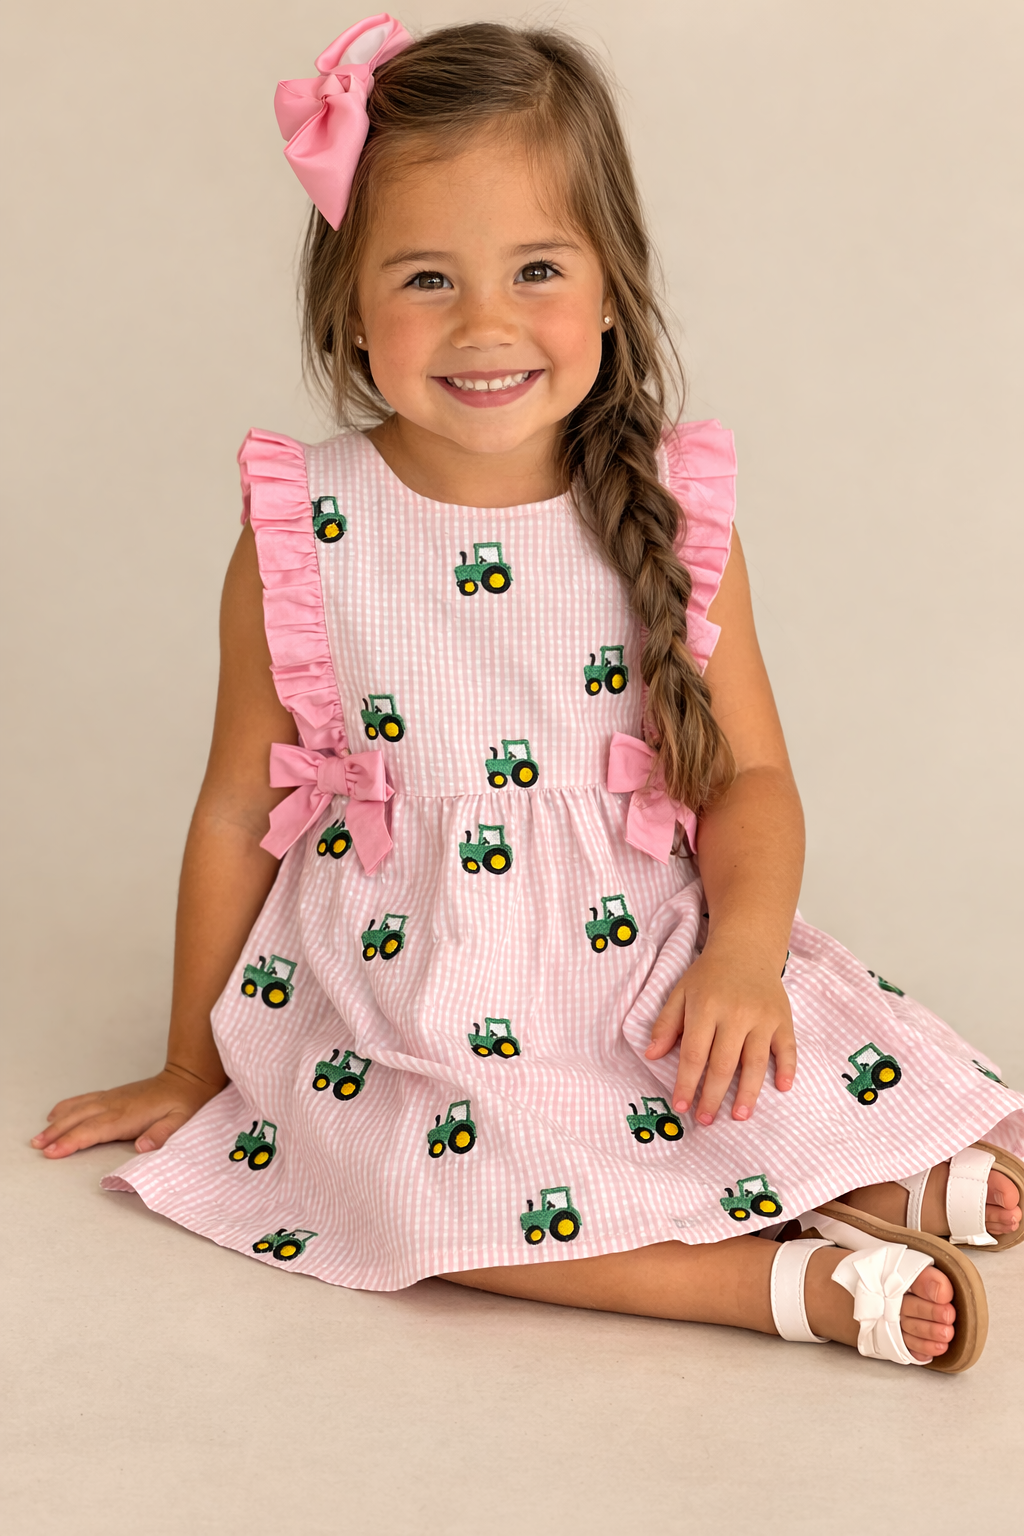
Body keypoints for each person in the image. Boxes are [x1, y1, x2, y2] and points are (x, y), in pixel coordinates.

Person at [33, 15, 1023, 1370]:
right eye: (427, 277)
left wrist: (739, 955)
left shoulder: (666, 519)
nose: (486, 323)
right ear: (349, 310)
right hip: (410, 995)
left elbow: (749, 780)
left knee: (717, 1062)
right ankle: (768, 1284)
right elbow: (230, 813)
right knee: (418, 1188)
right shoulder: (307, 524)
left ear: (611, 290)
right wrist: (196, 1071)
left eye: (538, 269)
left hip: (636, 955)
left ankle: (865, 1175)